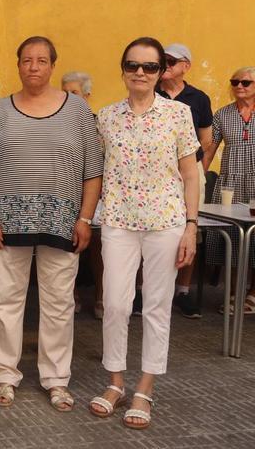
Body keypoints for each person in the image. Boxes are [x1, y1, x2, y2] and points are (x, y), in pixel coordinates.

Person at [0, 36, 103, 412]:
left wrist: (84, 219)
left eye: (42, 60)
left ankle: (56, 379)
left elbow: (93, 172)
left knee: (59, 304)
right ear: (18, 65)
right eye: (27, 59)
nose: (34, 66)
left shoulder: (78, 111)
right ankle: (5, 376)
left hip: (63, 224)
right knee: (6, 302)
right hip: (5, 224)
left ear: (52, 66)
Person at [88, 37, 199, 430]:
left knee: (156, 305)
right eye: (133, 65)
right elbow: (96, 173)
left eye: (150, 67)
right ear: (122, 69)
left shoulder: (179, 115)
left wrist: (191, 225)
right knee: (116, 303)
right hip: (118, 220)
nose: (140, 72)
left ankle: (145, 387)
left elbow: (190, 174)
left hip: (166, 222)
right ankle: (115, 381)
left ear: (161, 72)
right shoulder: (106, 117)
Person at [157, 43, 213, 319]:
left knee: (191, 228)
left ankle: (184, 290)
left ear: (186, 65)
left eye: (170, 60)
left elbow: (207, 138)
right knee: (153, 227)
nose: (164, 64)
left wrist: (197, 168)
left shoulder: (198, 98)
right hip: (157, 173)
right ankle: (145, 290)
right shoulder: (151, 91)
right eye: (162, 59)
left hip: (189, 170)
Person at [203, 66, 255, 312]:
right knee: (231, 238)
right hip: (230, 183)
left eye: (246, 82)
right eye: (235, 82)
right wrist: (198, 176)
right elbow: (210, 147)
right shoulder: (222, 114)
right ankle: (233, 293)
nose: (239, 86)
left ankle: (253, 294)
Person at [62, 71, 104, 319]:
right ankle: (72, 294)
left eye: (74, 93)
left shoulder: (98, 123)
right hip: (66, 195)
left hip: (95, 195)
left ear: (86, 96)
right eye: (64, 92)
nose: (67, 97)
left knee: (100, 246)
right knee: (67, 245)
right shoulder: (55, 121)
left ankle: (100, 295)